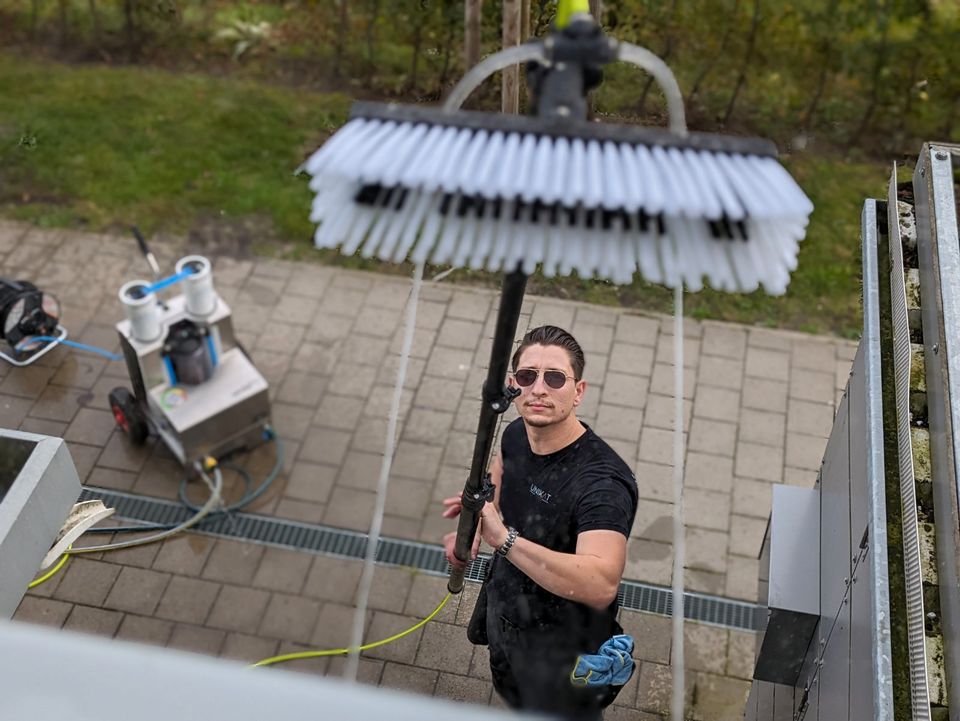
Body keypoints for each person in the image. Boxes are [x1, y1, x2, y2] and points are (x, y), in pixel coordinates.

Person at [443, 325, 639, 718]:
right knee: (512, 693)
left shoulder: (602, 484)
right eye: (527, 376)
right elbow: (500, 469)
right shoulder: (517, 433)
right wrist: (478, 520)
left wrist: (505, 539)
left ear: (578, 391)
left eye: (555, 378)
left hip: (566, 649)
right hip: (507, 614)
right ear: (514, 385)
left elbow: (601, 583)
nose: (538, 389)